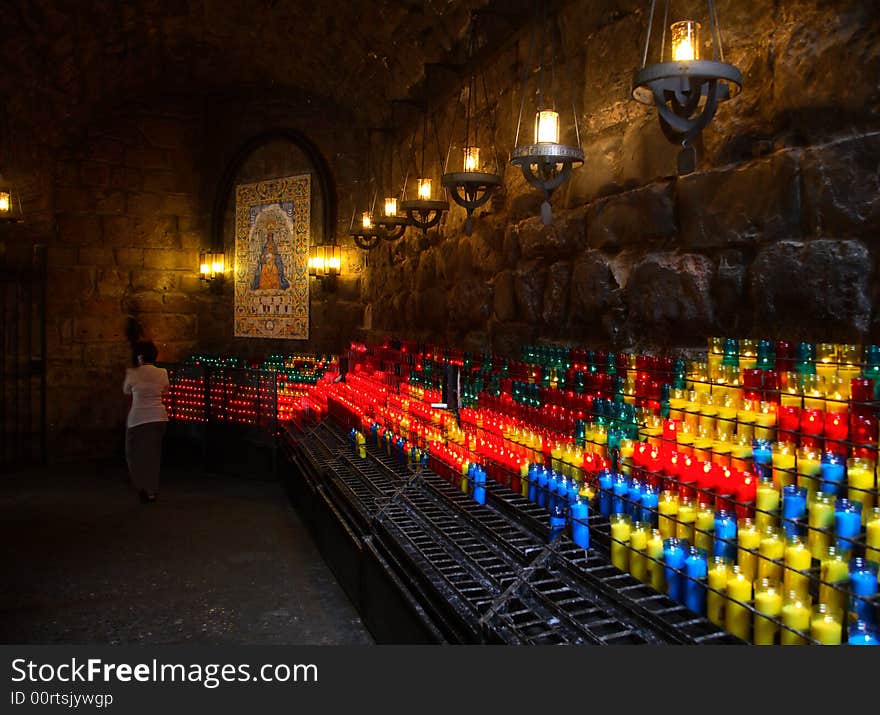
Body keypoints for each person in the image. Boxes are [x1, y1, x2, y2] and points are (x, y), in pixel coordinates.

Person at [123, 340, 169, 504]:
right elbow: (164, 390)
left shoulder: (133, 374)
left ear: (139, 356)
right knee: (153, 456)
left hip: (138, 419)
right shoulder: (162, 372)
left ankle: (141, 486)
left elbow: (128, 395)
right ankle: (151, 490)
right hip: (158, 417)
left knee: (133, 455)